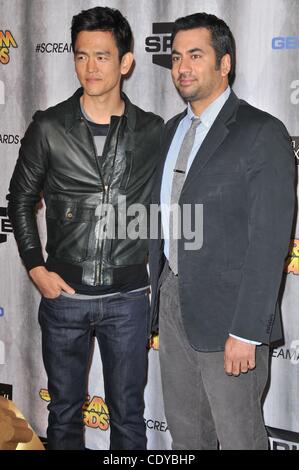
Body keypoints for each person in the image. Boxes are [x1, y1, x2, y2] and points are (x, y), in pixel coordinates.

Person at [7, 6, 163, 450]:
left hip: (129, 300)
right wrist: (36, 268)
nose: (89, 67)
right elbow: (19, 199)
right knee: (64, 415)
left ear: (126, 62)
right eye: (81, 56)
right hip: (64, 299)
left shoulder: (152, 131)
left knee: (130, 418)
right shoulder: (49, 126)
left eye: (102, 56)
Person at [149, 12, 295, 450]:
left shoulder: (261, 132)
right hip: (173, 303)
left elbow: (270, 243)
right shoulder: (171, 130)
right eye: (176, 58)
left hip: (232, 319)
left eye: (196, 55)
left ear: (225, 63)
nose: (182, 68)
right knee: (187, 436)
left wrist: (248, 331)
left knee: (239, 439)